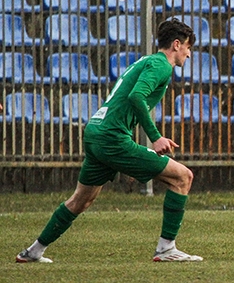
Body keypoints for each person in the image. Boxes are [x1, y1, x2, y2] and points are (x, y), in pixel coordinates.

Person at [16, 19, 202, 263]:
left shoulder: (147, 61)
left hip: (96, 132)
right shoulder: (161, 66)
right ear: (176, 44)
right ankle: (166, 248)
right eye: (188, 47)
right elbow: (137, 97)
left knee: (81, 200)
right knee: (182, 177)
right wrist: (155, 138)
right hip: (112, 138)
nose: (189, 54)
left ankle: (33, 252)